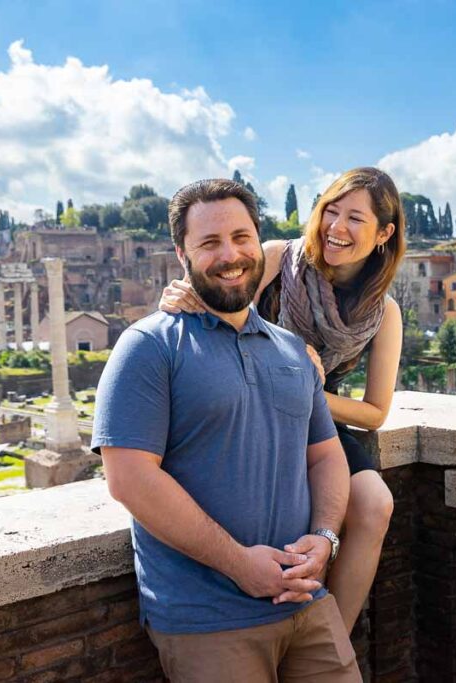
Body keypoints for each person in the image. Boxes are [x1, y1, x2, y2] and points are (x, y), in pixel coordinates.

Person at [94, 178, 360, 682]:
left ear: (258, 241)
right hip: (207, 620)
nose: (230, 255)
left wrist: (325, 538)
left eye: (241, 237)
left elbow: (325, 456)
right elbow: (128, 479)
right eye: (209, 243)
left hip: (307, 600)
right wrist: (240, 564)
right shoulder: (148, 347)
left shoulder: (290, 349)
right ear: (181, 254)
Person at [160, 167, 405, 632]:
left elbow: (375, 413)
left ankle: (337, 636)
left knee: (374, 504)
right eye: (330, 210)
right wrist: (178, 295)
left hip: (315, 412)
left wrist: (304, 386)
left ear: (384, 233)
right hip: (244, 395)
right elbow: (218, 296)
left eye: (355, 218)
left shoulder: (384, 311)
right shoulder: (278, 257)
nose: (336, 227)